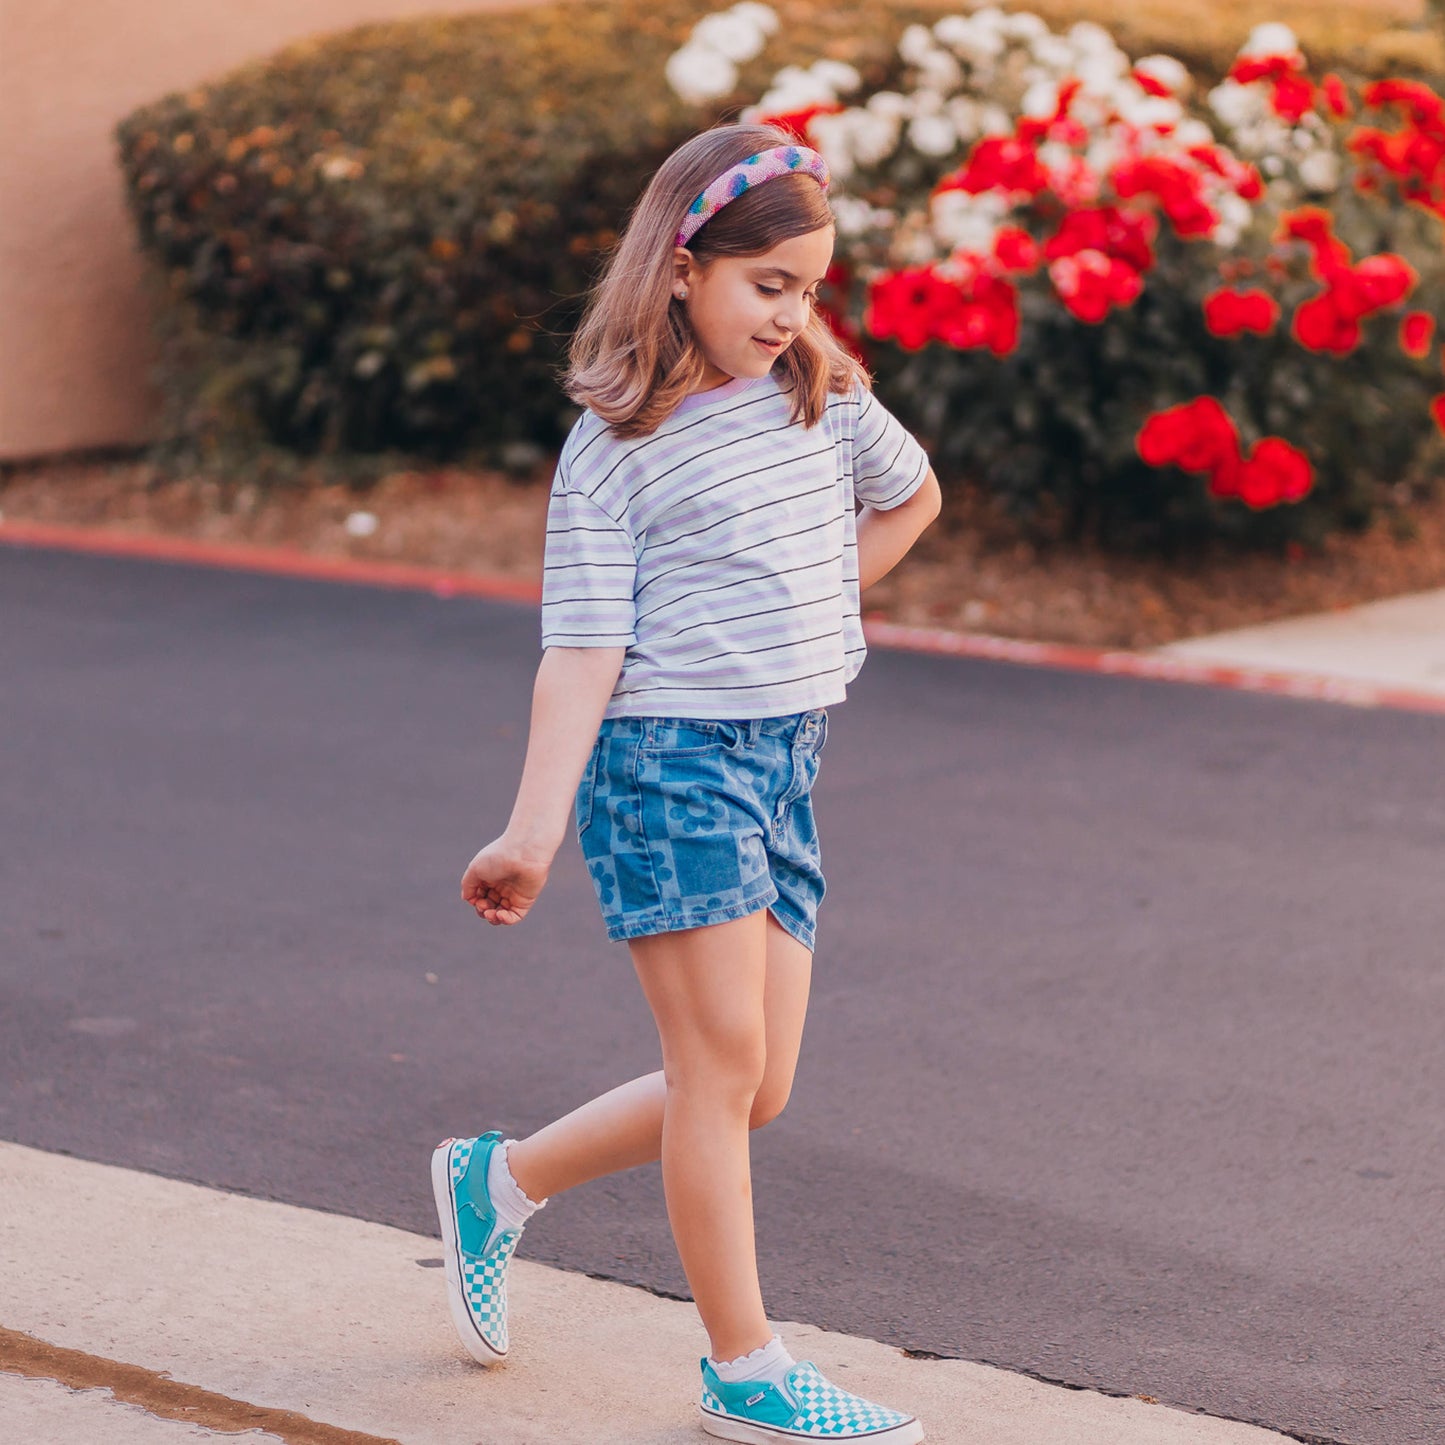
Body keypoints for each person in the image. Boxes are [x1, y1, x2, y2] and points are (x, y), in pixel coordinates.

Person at [432, 122, 942, 1443]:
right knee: (716, 1069)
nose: (789, 315)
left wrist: (813, 609)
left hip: (783, 760)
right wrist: (532, 831)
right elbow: (582, 653)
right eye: (765, 286)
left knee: (755, 1084)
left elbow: (913, 496)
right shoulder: (615, 448)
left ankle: (499, 1179)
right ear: (678, 267)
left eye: (808, 288)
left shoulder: (815, 394)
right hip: (666, 768)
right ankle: (743, 1367)